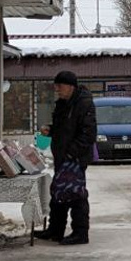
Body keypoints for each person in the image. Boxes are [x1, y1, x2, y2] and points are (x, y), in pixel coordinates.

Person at [35, 70, 96, 245]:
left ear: (70, 86)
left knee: (75, 195)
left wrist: (71, 152)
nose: (57, 90)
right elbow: (64, 128)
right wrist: (51, 130)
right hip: (63, 156)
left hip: (75, 158)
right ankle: (56, 229)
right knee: (58, 192)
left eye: (59, 86)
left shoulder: (84, 104)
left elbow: (88, 133)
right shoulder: (63, 104)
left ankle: (80, 233)